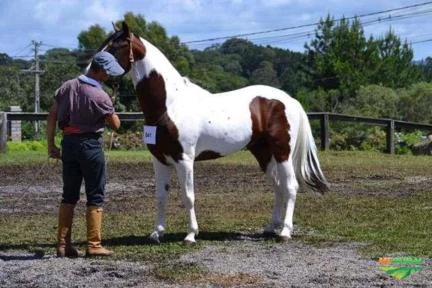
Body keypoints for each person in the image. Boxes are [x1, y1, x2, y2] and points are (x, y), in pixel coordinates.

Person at [47, 51, 124, 257]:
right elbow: (116, 125)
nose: (109, 77)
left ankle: (63, 245)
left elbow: (52, 115)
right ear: (99, 71)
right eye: (108, 73)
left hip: (68, 144)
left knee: (69, 194)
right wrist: (111, 108)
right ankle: (94, 244)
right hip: (90, 146)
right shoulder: (100, 95)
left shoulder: (66, 87)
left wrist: (51, 145)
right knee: (95, 193)